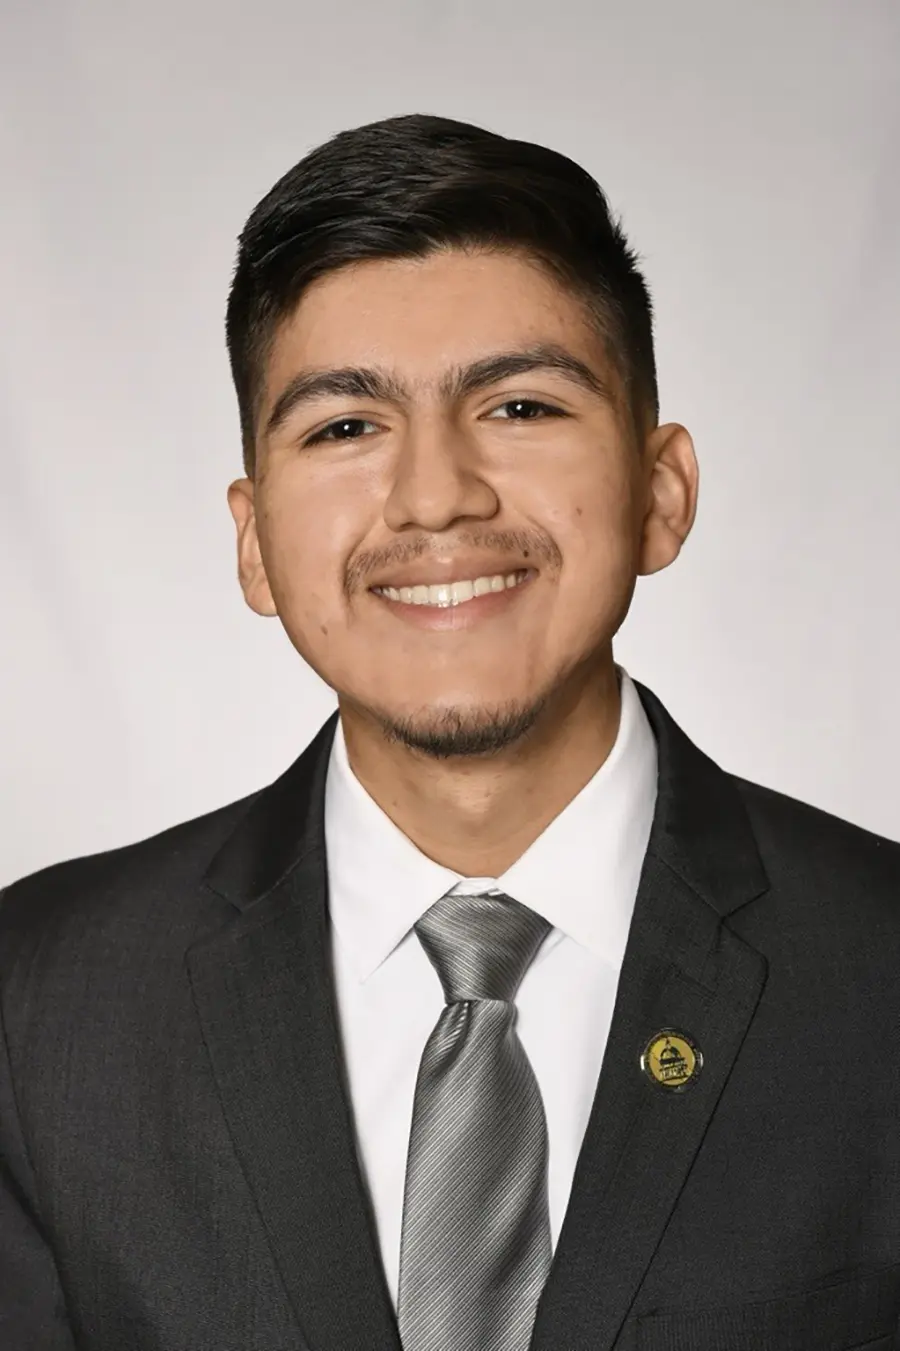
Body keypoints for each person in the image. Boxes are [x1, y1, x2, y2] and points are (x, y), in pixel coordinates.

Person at [1, 113, 898, 1351]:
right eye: (345, 427)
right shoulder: (41, 1004)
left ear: (661, 491)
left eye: (521, 405)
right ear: (255, 542)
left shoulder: (878, 969)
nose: (435, 496)